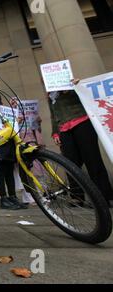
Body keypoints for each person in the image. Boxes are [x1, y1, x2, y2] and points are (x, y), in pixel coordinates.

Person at [49, 79, 113, 208]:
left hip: (82, 122)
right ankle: (77, 197)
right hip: (64, 128)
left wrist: (75, 86)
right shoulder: (50, 94)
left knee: (93, 160)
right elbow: (53, 115)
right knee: (70, 164)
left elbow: (88, 98)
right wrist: (55, 132)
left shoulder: (73, 87)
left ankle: (104, 197)